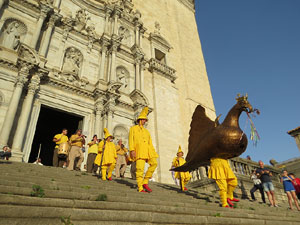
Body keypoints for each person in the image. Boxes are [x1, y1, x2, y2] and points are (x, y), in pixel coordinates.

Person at [129, 107, 158, 193]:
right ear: (140, 120)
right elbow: (131, 140)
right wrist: (132, 150)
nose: (145, 121)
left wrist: (153, 153)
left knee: (154, 164)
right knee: (140, 169)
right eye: (144, 120)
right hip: (139, 151)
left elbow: (150, 143)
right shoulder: (133, 129)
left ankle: (145, 182)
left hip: (148, 151)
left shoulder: (147, 131)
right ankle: (140, 187)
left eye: (146, 120)